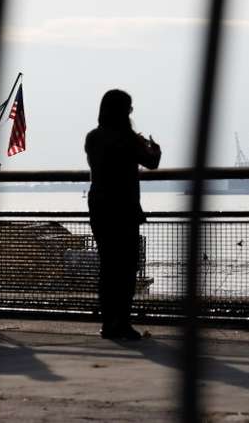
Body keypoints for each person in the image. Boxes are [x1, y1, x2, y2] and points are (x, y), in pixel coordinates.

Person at [85, 89, 161, 340]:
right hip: (124, 208)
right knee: (127, 268)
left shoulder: (93, 137)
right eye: (129, 108)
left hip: (99, 207)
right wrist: (154, 149)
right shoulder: (128, 139)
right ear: (124, 111)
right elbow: (151, 162)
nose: (131, 112)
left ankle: (108, 323)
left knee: (108, 267)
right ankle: (123, 322)